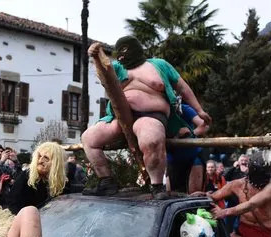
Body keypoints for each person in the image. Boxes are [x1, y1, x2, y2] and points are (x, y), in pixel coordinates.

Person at [81, 36, 211, 198]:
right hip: (118, 118)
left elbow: (183, 87)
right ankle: (106, 180)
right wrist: (96, 58)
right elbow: (103, 77)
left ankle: (157, 186)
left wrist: (199, 110)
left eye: (126, 51)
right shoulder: (115, 68)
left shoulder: (159, 65)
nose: (123, 56)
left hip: (152, 115)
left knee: (151, 139)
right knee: (89, 138)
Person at [7, 142, 66, 215]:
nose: (40, 161)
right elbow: (13, 206)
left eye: (46, 158)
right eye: (39, 156)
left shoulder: (61, 182)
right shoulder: (27, 176)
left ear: (56, 162)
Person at [167, 103, 210, 193]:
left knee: (195, 193)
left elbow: (204, 126)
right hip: (171, 156)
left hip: (193, 155)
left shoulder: (183, 108)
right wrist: (176, 136)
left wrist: (191, 134)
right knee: (171, 193)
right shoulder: (157, 110)